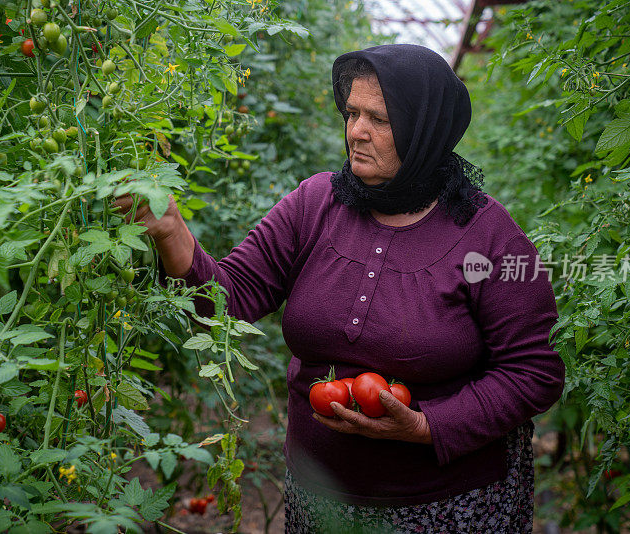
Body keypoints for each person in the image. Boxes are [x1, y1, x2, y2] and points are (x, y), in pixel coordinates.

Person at [114, 44, 565, 533]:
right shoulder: (315, 204)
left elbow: (534, 371)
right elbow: (233, 296)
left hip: (451, 506)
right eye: (351, 113)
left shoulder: (485, 234)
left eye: (380, 118)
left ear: (425, 128)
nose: (356, 131)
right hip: (321, 499)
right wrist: (171, 233)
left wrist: (426, 426)